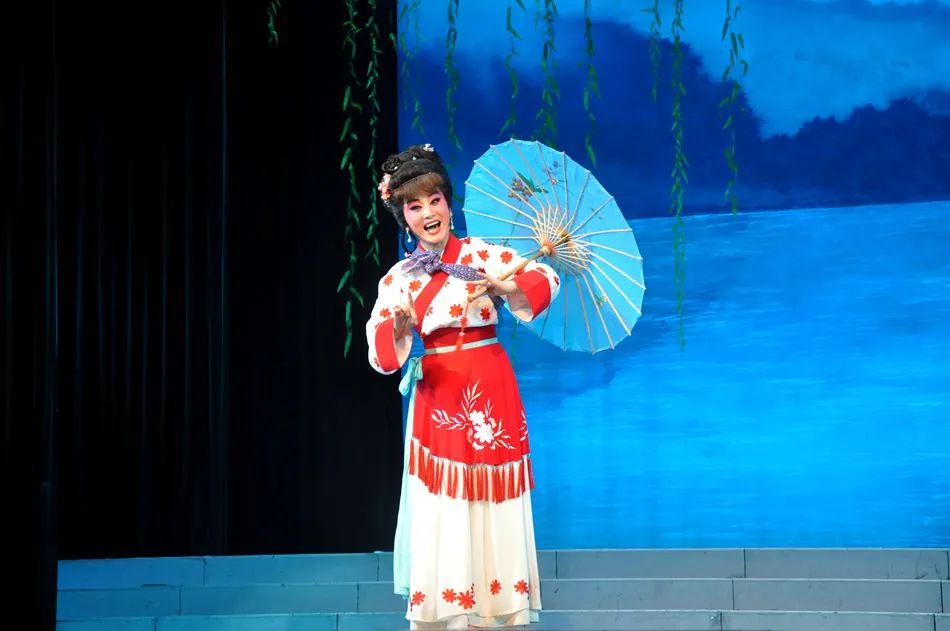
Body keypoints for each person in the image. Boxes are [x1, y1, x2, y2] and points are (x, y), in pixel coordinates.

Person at [366, 144, 560, 629]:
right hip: (438, 394)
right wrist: (400, 326)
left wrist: (504, 287)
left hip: (490, 386)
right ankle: (452, 613)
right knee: (445, 504)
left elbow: (545, 277)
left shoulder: (483, 255)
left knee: (495, 498)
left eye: (435, 200)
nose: (428, 213)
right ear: (404, 218)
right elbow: (381, 354)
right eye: (414, 206)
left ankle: (497, 610)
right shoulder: (399, 278)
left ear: (449, 204)